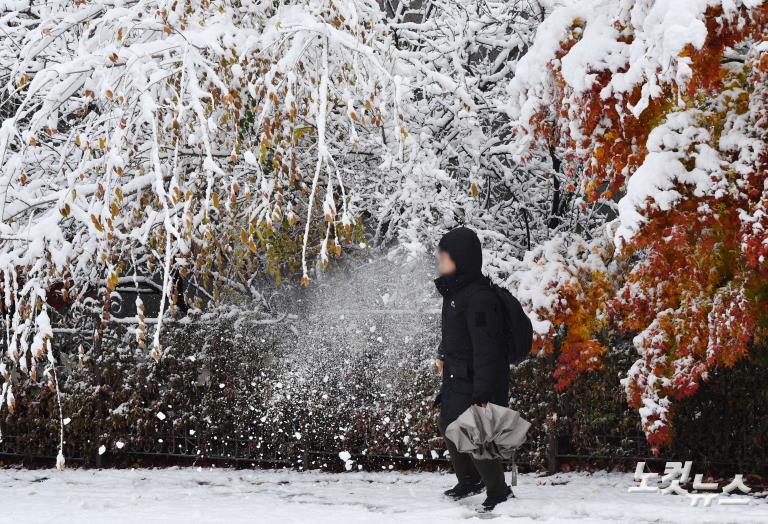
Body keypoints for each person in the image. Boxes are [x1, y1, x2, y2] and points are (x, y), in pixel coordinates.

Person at [433, 226, 512, 512]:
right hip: (457, 374)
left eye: (445, 256)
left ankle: (499, 491)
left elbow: (487, 348)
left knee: (475, 432)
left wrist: (483, 389)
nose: (440, 261)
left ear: (461, 258)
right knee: (447, 423)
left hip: (476, 378)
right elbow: (455, 334)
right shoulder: (455, 293)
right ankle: (470, 480)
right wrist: (442, 354)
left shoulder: (479, 297)